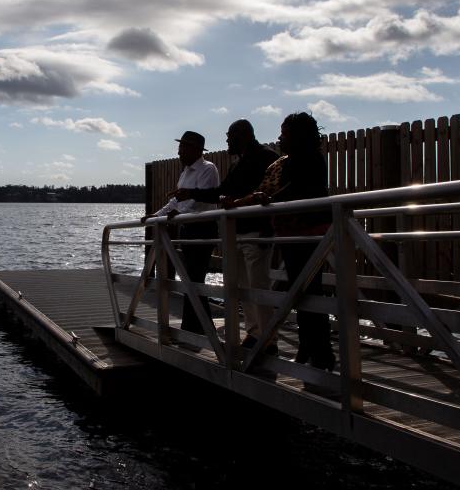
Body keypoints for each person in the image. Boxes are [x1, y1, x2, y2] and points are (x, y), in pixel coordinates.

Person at [232, 112, 334, 370]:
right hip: (290, 232)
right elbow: (275, 189)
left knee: (310, 290)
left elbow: (300, 189)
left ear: (298, 136)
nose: (280, 137)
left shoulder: (311, 159)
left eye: (285, 133)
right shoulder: (287, 162)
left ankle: (321, 353)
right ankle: (307, 346)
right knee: (299, 292)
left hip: (308, 233)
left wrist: (272, 200)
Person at [173, 119, 279, 354]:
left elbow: (271, 192)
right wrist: (192, 193)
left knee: (259, 284)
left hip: (256, 231)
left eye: (230, 136)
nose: (227, 140)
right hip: (237, 231)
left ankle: (269, 339)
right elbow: (222, 192)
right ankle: (254, 333)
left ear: (243, 135)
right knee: (242, 285)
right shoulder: (237, 163)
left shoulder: (265, 157)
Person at [142, 131, 219, 336]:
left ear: (195, 150)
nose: (179, 151)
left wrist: (179, 213)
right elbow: (176, 201)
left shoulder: (208, 169)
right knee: (189, 277)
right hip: (187, 229)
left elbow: (199, 200)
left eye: (183, 147)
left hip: (203, 228)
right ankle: (195, 327)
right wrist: (156, 215)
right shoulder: (185, 172)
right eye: (179, 147)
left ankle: (198, 328)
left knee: (195, 277)